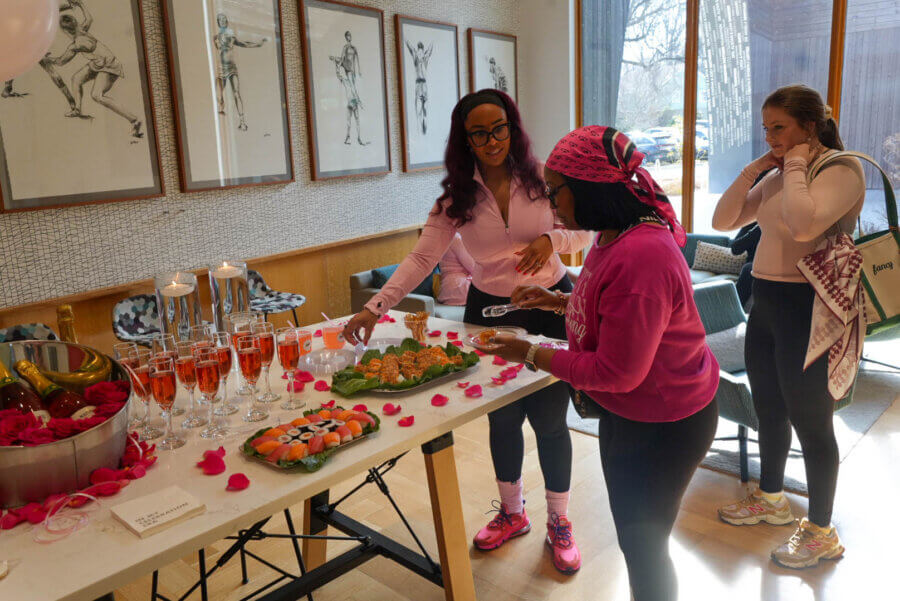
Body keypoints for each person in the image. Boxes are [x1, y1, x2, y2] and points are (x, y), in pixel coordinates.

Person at [343, 89, 594, 574]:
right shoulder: (457, 195)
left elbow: (587, 231)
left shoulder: (543, 178)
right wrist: (376, 307)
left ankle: (559, 522)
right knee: (502, 419)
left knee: (548, 419)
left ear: (512, 127)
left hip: (549, 305)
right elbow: (421, 257)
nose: (491, 140)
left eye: (498, 128)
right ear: (466, 139)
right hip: (489, 311)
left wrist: (551, 240)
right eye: (478, 132)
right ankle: (513, 512)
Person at [486, 126, 719, 601]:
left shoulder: (643, 255)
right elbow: (605, 303)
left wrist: (530, 352)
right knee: (639, 541)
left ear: (591, 186)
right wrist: (557, 301)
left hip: (666, 420)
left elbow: (617, 372)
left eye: (556, 192)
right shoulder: (615, 234)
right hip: (631, 412)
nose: (552, 205)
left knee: (643, 545)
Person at [712, 84, 865, 568]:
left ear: (811, 125)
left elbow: (803, 227)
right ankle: (772, 498)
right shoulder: (780, 175)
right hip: (767, 302)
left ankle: (822, 530)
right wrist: (758, 168)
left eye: (779, 127)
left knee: (812, 423)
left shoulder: (842, 169)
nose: (770, 137)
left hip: (809, 307)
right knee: (769, 409)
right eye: (766, 128)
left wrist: (794, 163)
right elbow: (723, 218)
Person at [46, 0, 143, 138]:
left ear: (65, 30)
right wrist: (80, 4)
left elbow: (61, 62)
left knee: (97, 96)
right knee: (76, 79)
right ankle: (77, 109)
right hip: (98, 64)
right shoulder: (83, 29)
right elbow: (89, 18)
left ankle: (134, 119)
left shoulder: (77, 44)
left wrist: (46, 59)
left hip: (109, 66)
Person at [214, 13, 267, 131]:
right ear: (218, 22)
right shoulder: (215, 38)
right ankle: (221, 115)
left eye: (224, 19)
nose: (222, 21)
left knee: (236, 93)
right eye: (220, 20)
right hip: (221, 68)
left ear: (226, 21)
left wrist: (259, 44)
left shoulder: (231, 37)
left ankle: (242, 122)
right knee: (219, 95)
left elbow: (244, 43)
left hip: (232, 68)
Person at [436, 233, 474, 306]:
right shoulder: (456, 239)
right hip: (458, 285)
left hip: (449, 287)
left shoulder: (446, 237)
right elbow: (473, 267)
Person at [405, 40, 433, 135]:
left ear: (422, 51)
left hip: (424, 84)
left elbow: (430, 50)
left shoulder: (425, 59)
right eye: (418, 51)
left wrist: (433, 41)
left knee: (425, 106)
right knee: (417, 106)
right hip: (418, 84)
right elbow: (410, 48)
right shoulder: (416, 59)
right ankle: (419, 126)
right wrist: (406, 40)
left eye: (421, 51)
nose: (419, 53)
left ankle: (424, 123)